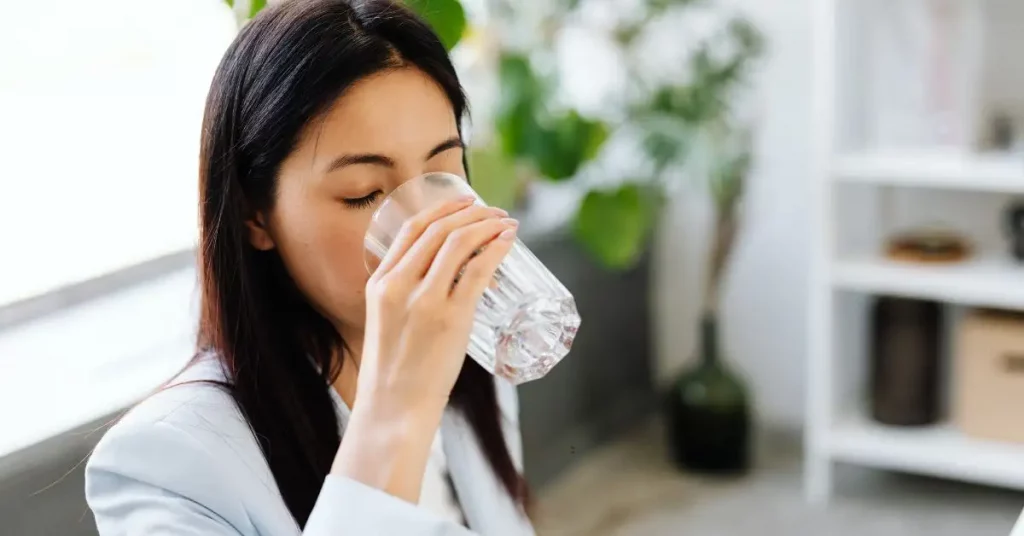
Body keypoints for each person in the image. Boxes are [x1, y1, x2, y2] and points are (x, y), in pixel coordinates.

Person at [84, 0, 534, 534]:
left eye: (444, 173)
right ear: (255, 215)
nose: (424, 226)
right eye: (364, 193)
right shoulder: (166, 464)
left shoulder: (474, 364)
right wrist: (398, 409)